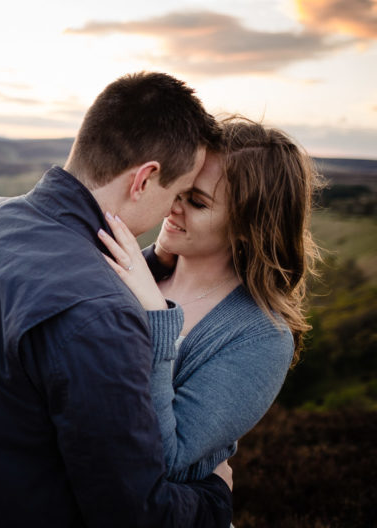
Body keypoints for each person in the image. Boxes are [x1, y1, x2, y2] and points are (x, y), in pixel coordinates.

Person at [0, 72, 234, 527]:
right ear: (144, 179)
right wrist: (214, 497)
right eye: (177, 193)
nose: (174, 209)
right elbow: (134, 515)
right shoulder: (101, 311)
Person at [97, 116, 320, 485]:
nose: (172, 205)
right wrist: (148, 264)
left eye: (197, 203)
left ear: (247, 228)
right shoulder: (136, 271)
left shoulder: (262, 337)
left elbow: (164, 457)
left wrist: (156, 317)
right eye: (177, 188)